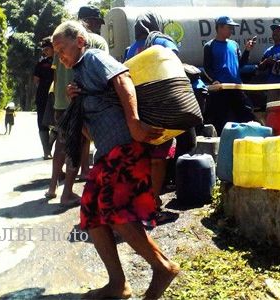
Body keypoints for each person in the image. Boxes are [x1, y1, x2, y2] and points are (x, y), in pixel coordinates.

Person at [52, 20, 179, 299]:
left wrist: (134, 122)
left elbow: (122, 79)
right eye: (56, 53)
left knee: (115, 212)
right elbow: (88, 129)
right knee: (92, 213)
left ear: (81, 42)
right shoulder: (79, 76)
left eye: (62, 49)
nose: (60, 57)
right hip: (107, 153)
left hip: (126, 146)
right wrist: (77, 101)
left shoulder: (95, 58)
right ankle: (118, 284)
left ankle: (163, 267)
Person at [44, 6, 109, 207]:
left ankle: (53, 187)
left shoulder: (60, 39)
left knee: (62, 145)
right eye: (97, 21)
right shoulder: (95, 41)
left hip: (61, 101)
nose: (98, 25)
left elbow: (55, 75)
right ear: (89, 21)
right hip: (81, 101)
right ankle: (68, 193)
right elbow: (103, 71)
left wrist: (57, 98)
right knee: (76, 145)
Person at [124, 12, 183, 223]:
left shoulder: (131, 48)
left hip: (140, 107)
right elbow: (175, 61)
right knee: (159, 157)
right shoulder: (162, 40)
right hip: (161, 105)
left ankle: (142, 202)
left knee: (145, 155)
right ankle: (153, 207)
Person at [203, 16, 256, 134]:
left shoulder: (234, 44)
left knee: (248, 116)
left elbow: (241, 64)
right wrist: (214, 80)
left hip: (237, 87)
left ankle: (251, 139)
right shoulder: (209, 46)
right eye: (229, 27)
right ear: (220, 28)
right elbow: (207, 68)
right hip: (221, 89)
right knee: (219, 120)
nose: (232, 30)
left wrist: (247, 50)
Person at [33, 37, 55, 159]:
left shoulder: (43, 63)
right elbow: (35, 80)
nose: (45, 52)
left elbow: (36, 80)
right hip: (44, 96)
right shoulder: (43, 63)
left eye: (47, 49)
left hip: (53, 95)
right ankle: (46, 150)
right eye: (44, 50)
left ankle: (48, 149)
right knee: (44, 123)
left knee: (52, 122)